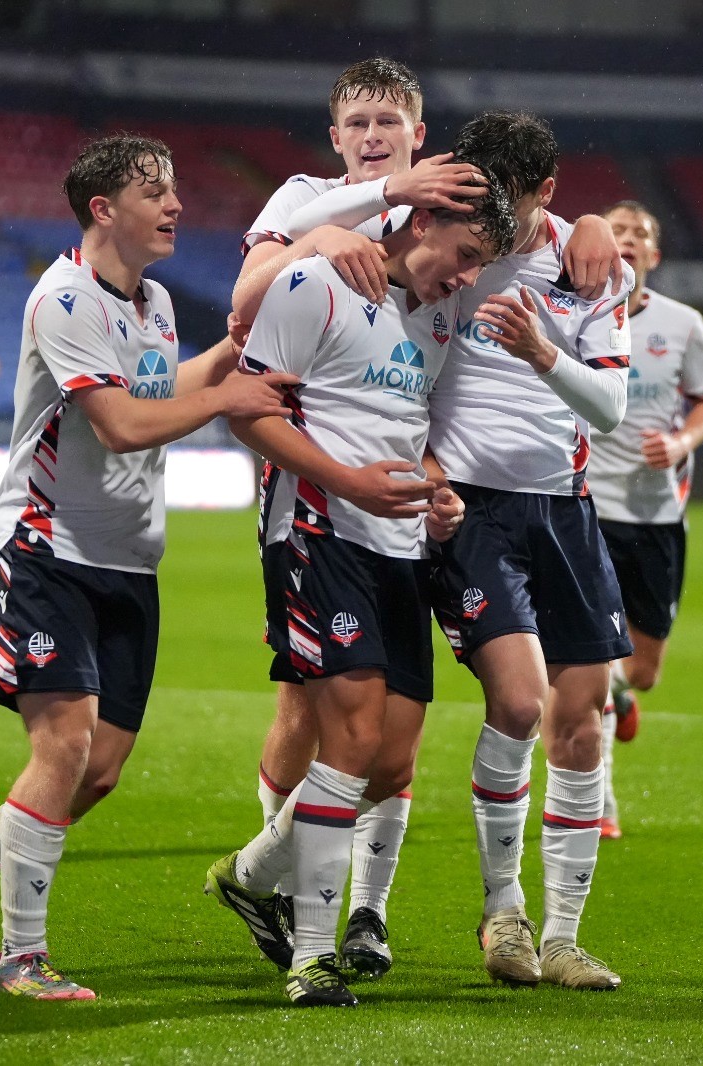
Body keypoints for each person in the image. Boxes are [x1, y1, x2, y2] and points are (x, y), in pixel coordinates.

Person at [229, 57, 619, 981]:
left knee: (386, 744)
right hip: (325, 512)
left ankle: (354, 907)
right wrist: (326, 234)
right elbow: (249, 331)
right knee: (322, 715)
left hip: (420, 515)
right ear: (339, 137)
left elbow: (432, 402)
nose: (372, 136)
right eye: (357, 120)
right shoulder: (312, 222)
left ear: (422, 138)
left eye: (389, 123)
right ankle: (302, 910)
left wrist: (596, 226)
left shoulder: (461, 290)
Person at [0, 134, 295, 1000]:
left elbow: (154, 388)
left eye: (174, 189)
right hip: (46, 545)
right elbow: (121, 425)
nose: (176, 205)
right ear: (104, 210)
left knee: (96, 771)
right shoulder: (63, 298)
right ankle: (21, 961)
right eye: (155, 192)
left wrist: (225, 354)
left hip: (130, 562)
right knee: (63, 746)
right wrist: (228, 396)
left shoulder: (157, 301)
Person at [205, 170, 516, 1007]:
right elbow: (247, 412)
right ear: (420, 219)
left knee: (389, 760)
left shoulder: (442, 318)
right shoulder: (316, 282)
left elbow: (409, 431)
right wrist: (348, 480)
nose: (466, 276)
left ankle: (248, 873)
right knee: (349, 734)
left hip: (399, 544)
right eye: (465, 253)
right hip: (316, 529)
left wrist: (433, 487)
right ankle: (311, 958)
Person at [426, 110, 635, 992]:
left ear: (547, 192)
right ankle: (503, 909)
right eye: (479, 196)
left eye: (509, 202)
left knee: (581, 726)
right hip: (472, 512)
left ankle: (564, 936)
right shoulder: (443, 250)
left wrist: (545, 352)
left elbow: (611, 411)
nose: (490, 220)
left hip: (566, 510)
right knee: (518, 704)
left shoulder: (591, 266)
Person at [586, 201, 703, 840]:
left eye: (641, 234)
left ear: (654, 256)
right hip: (585, 509)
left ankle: (621, 692)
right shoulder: (576, 314)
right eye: (619, 232)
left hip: (656, 513)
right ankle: (601, 801)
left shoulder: (683, 325)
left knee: (642, 669)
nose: (630, 241)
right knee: (591, 657)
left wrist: (682, 444)